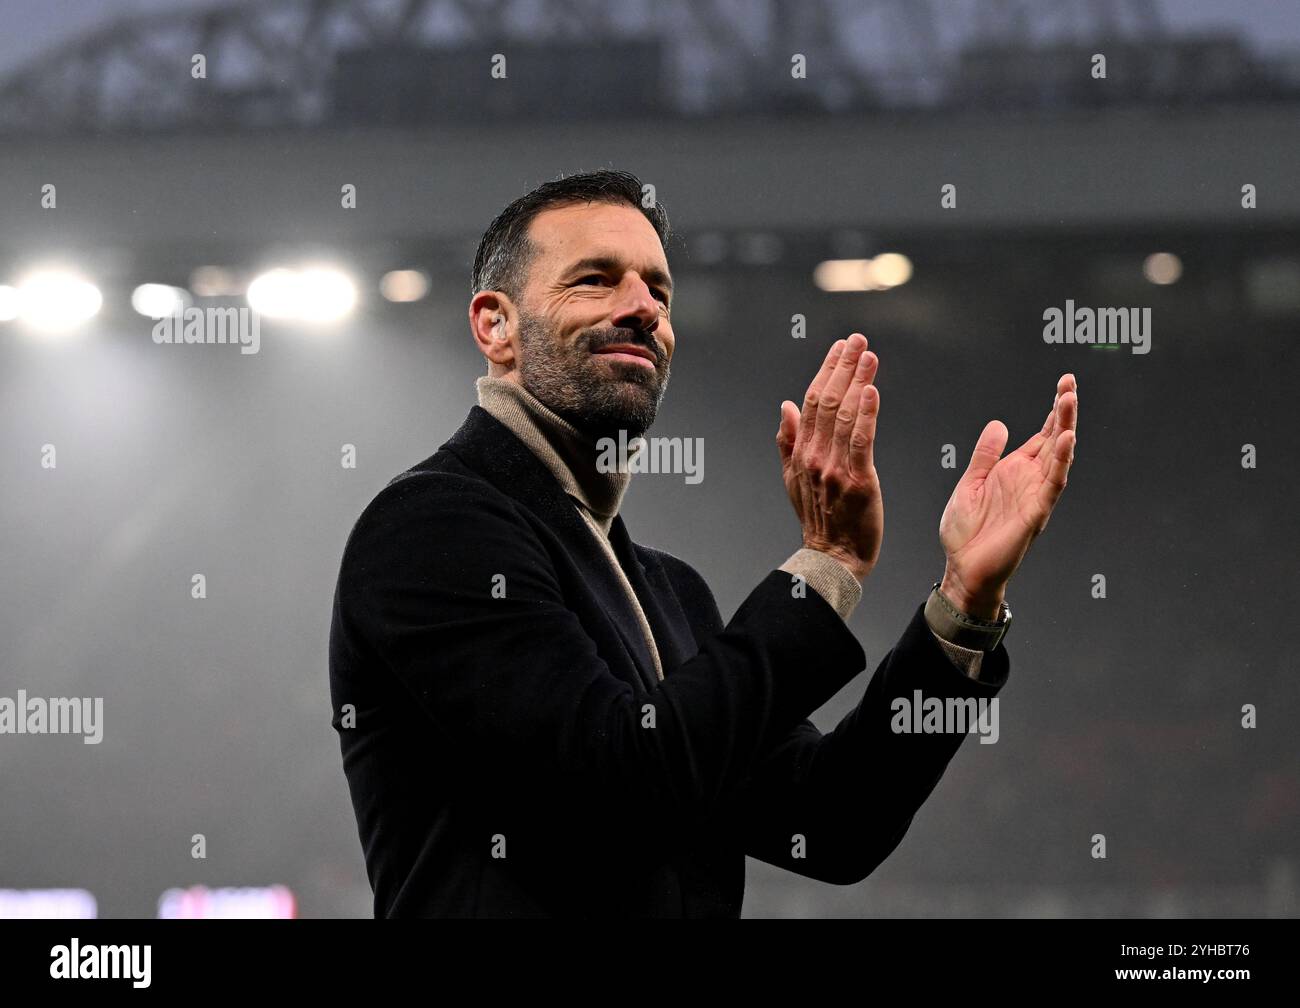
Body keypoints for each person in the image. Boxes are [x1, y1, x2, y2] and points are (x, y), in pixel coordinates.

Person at [328, 169, 1078, 917]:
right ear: (495, 325)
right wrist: (829, 563)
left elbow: (830, 825)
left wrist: (963, 604)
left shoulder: (670, 592)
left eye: (660, 292)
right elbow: (616, 785)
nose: (642, 310)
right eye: (595, 280)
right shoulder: (432, 527)